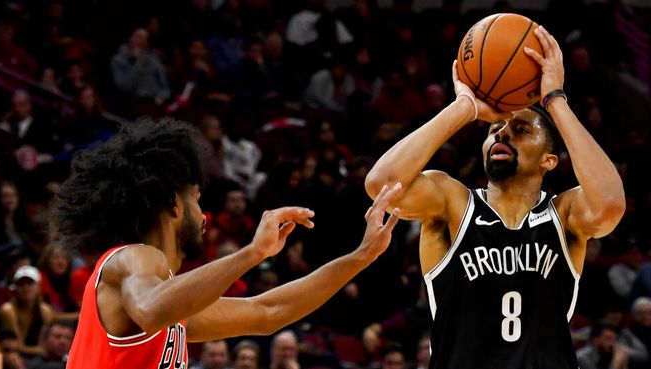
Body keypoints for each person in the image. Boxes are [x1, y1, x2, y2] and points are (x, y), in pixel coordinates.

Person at [365, 26, 625, 369]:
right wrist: (463, 108)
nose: (503, 132)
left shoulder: (564, 215)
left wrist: (555, 100)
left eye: (521, 129)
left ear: (549, 160)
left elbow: (609, 204)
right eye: (495, 130)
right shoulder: (453, 204)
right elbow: (381, 184)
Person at [56, 119, 402, 369]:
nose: (205, 217)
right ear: (174, 205)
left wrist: (361, 256)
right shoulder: (131, 258)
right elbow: (150, 309)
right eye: (197, 200)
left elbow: (268, 312)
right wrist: (253, 253)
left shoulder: (172, 303)